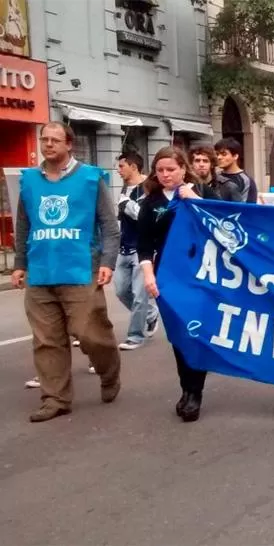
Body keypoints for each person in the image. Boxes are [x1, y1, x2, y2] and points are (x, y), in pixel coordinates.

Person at [12, 121, 122, 423]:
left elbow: (109, 228)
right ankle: (55, 399)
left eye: (55, 140)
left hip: (80, 271)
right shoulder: (30, 181)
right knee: (47, 340)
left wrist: (106, 262)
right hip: (40, 272)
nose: (48, 145)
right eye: (44, 139)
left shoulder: (89, 178)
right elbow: (24, 225)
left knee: (91, 334)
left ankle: (109, 371)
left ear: (68, 144)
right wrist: (20, 264)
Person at [138, 147, 233, 423]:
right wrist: (148, 275)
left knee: (195, 332)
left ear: (183, 168)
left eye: (171, 169)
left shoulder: (202, 193)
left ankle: (195, 393)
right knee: (179, 336)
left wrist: (195, 200)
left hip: (200, 274)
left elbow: (225, 222)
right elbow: (143, 245)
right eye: (160, 170)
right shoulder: (150, 203)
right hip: (167, 276)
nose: (165, 175)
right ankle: (186, 387)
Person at [114, 151, 160, 351]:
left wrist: (127, 204)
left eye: (122, 166)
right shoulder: (124, 187)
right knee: (121, 290)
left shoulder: (148, 188)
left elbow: (146, 217)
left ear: (134, 166)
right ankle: (151, 315)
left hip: (142, 249)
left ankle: (135, 336)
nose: (118, 170)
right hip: (123, 247)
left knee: (140, 295)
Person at [214, 137, 257, 203]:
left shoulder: (246, 180)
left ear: (235, 156)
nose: (219, 157)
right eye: (217, 154)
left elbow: (248, 208)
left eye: (224, 154)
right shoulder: (214, 176)